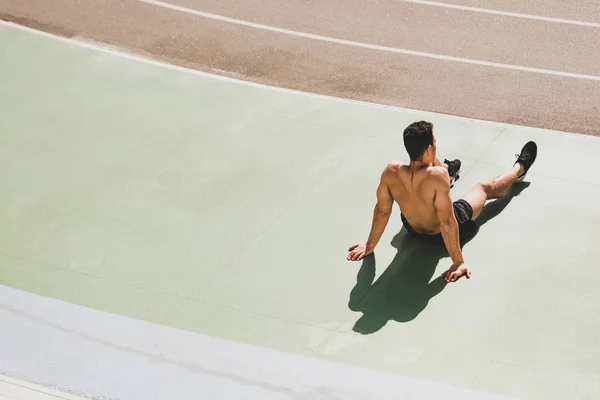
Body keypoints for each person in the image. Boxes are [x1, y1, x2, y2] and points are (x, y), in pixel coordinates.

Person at [347, 120, 537, 282]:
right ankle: (520, 169)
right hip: (441, 233)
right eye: (434, 142)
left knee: (433, 177)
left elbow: (382, 210)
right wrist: (457, 261)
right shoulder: (437, 176)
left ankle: (451, 169)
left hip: (413, 228)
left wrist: (369, 245)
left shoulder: (390, 171)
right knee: (483, 188)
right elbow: (447, 221)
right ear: (430, 148)